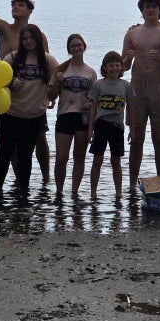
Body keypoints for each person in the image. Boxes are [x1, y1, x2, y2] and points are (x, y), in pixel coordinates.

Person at [0, 0, 53, 184]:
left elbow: (46, 63)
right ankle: (19, 178)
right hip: (8, 89)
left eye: (20, 5)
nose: (16, 7)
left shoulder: (37, 35)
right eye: (13, 4)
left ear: (29, 11)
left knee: (40, 136)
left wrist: (50, 92)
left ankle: (46, 178)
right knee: (9, 142)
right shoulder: (4, 29)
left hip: (33, 91)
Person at [122, 0, 160, 192]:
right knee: (136, 138)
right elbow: (122, 67)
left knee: (159, 138)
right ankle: (131, 184)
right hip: (137, 87)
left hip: (159, 86)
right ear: (142, 10)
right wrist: (128, 59)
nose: (150, 10)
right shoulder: (132, 33)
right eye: (147, 7)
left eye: (154, 6)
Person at [0, 24, 59, 196]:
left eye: (31, 38)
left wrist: (53, 96)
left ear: (38, 39)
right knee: (4, 153)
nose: (28, 41)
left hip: (34, 115)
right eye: (24, 39)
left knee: (25, 155)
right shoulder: (12, 58)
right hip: (10, 113)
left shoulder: (48, 60)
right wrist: (10, 82)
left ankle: (24, 194)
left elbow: (58, 80)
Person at [48, 34, 97, 198]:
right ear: (69, 49)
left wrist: (92, 125)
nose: (76, 48)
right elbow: (50, 96)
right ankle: (59, 191)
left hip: (82, 117)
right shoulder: (61, 69)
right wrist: (58, 81)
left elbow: (94, 100)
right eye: (73, 46)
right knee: (61, 158)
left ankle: (75, 192)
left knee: (79, 157)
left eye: (79, 45)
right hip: (64, 115)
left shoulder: (90, 72)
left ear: (84, 46)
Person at [87, 51, 136, 199]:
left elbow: (131, 109)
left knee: (116, 161)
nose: (114, 68)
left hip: (117, 127)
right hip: (101, 125)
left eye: (117, 65)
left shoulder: (125, 85)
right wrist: (90, 130)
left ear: (122, 67)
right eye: (111, 66)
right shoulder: (98, 85)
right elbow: (93, 108)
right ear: (105, 68)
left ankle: (118, 193)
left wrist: (132, 130)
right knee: (97, 160)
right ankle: (93, 192)